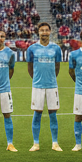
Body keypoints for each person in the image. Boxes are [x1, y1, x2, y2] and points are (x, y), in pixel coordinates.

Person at [25, 22, 62, 152]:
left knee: (53, 114)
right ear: (38, 32)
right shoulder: (32, 48)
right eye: (42, 30)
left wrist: (52, 78)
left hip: (52, 86)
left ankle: (55, 143)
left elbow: (57, 66)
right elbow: (29, 67)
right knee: (37, 114)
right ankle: (36, 143)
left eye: (47, 30)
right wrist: (36, 79)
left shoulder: (56, 48)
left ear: (50, 32)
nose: (44, 32)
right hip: (38, 86)